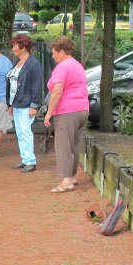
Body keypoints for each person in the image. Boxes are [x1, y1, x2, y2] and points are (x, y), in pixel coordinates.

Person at [44, 35, 89, 192]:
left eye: (54, 52)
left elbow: (57, 91)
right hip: (82, 109)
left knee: (63, 145)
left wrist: (49, 113)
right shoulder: (77, 65)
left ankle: (67, 180)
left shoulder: (62, 67)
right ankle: (73, 176)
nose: (53, 55)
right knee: (74, 145)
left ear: (61, 51)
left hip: (67, 111)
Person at [6, 34, 44, 173]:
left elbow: (37, 86)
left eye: (15, 45)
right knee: (20, 132)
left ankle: (30, 162)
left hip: (27, 104)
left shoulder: (33, 64)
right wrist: (10, 104)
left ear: (23, 47)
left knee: (25, 132)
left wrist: (34, 105)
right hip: (17, 103)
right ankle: (25, 159)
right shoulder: (17, 62)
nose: (13, 48)